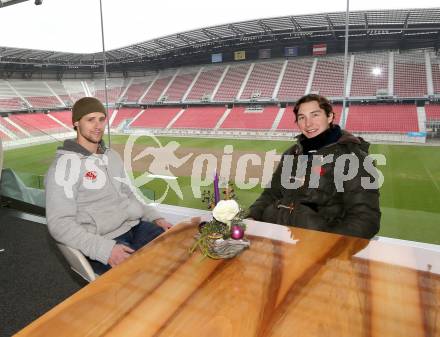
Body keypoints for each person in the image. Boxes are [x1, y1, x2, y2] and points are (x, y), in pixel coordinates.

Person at [45, 97, 172, 275]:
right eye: (90, 120)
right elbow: (59, 224)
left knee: (175, 249)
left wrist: (155, 217)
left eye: (101, 119)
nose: (98, 126)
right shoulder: (64, 166)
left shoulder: (112, 156)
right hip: (104, 240)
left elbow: (129, 195)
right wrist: (105, 250)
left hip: (134, 227)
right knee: (145, 278)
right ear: (76, 123)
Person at [248, 94, 381, 239]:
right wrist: (251, 217)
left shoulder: (354, 158)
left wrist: (323, 245)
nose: (308, 123)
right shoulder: (292, 154)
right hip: (281, 241)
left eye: (315, 115)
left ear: (330, 117)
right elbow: (270, 195)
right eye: (301, 117)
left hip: (318, 249)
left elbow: (365, 220)